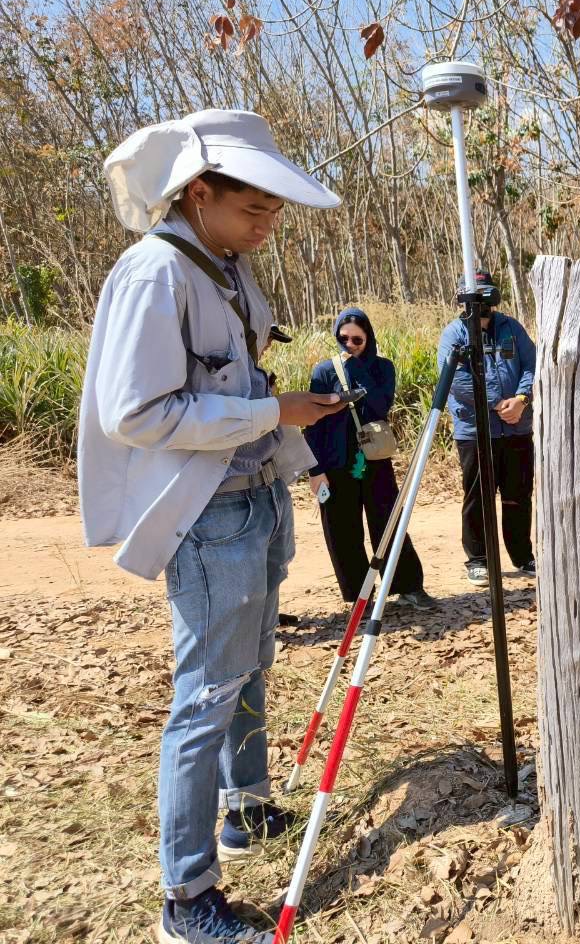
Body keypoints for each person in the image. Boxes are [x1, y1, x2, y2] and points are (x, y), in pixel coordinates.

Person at [79, 110, 347, 944]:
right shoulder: (155, 273)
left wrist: (280, 413)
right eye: (253, 209)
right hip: (208, 512)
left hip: (255, 492)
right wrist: (270, 410)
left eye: (274, 212)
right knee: (204, 697)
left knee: (249, 667)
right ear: (199, 192)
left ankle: (247, 806)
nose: (267, 226)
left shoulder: (224, 264)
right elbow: (135, 412)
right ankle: (187, 895)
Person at [305, 308, 434, 610]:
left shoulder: (382, 368)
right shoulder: (324, 372)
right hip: (335, 463)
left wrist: (357, 367)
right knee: (342, 530)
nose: (349, 345)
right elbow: (313, 424)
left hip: (373, 458)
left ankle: (407, 586)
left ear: (368, 338)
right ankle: (358, 596)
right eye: (343, 339)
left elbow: (379, 405)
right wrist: (315, 470)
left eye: (357, 340)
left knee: (388, 522)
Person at [438, 270, 537, 585]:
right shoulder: (454, 334)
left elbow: (532, 364)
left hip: (517, 428)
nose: (481, 303)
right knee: (478, 497)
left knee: (518, 495)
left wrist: (521, 399)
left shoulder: (511, 328)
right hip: (475, 432)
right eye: (475, 295)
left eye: (486, 294)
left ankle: (522, 555)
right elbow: (456, 379)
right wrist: (497, 403)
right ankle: (478, 560)